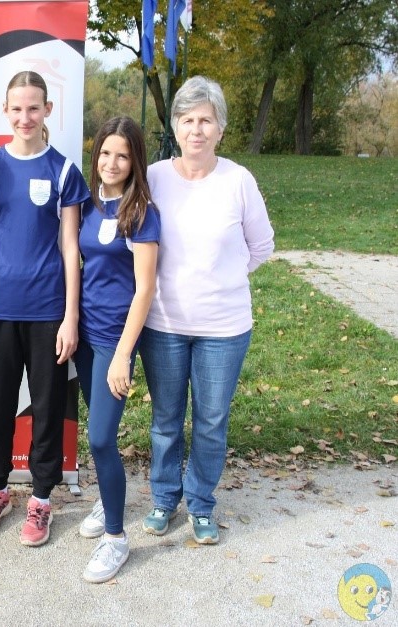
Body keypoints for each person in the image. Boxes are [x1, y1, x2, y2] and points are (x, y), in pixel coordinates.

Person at [139, 75, 274, 545]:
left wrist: (224, 275)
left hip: (224, 328)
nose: (196, 129)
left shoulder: (238, 180)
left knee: (211, 421)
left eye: (206, 120)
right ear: (175, 126)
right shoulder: (154, 177)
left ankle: (200, 504)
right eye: (187, 119)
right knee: (166, 420)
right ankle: (163, 498)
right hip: (163, 324)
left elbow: (261, 246)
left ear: (221, 129)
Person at [0, 70, 90, 547]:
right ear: (5, 111)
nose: (25, 117)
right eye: (17, 108)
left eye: (33, 108)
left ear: (47, 111)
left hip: (48, 313)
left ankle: (40, 499)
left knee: (46, 409)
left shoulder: (64, 171)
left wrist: (71, 316)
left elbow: (70, 248)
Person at [73, 117, 159, 582]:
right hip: (84, 335)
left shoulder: (141, 212)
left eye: (122, 155)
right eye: (106, 153)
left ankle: (116, 538)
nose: (112, 162)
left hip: (114, 338)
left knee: (102, 438)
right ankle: (107, 502)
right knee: (97, 427)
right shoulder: (88, 203)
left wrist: (125, 353)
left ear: (135, 161)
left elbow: (144, 289)